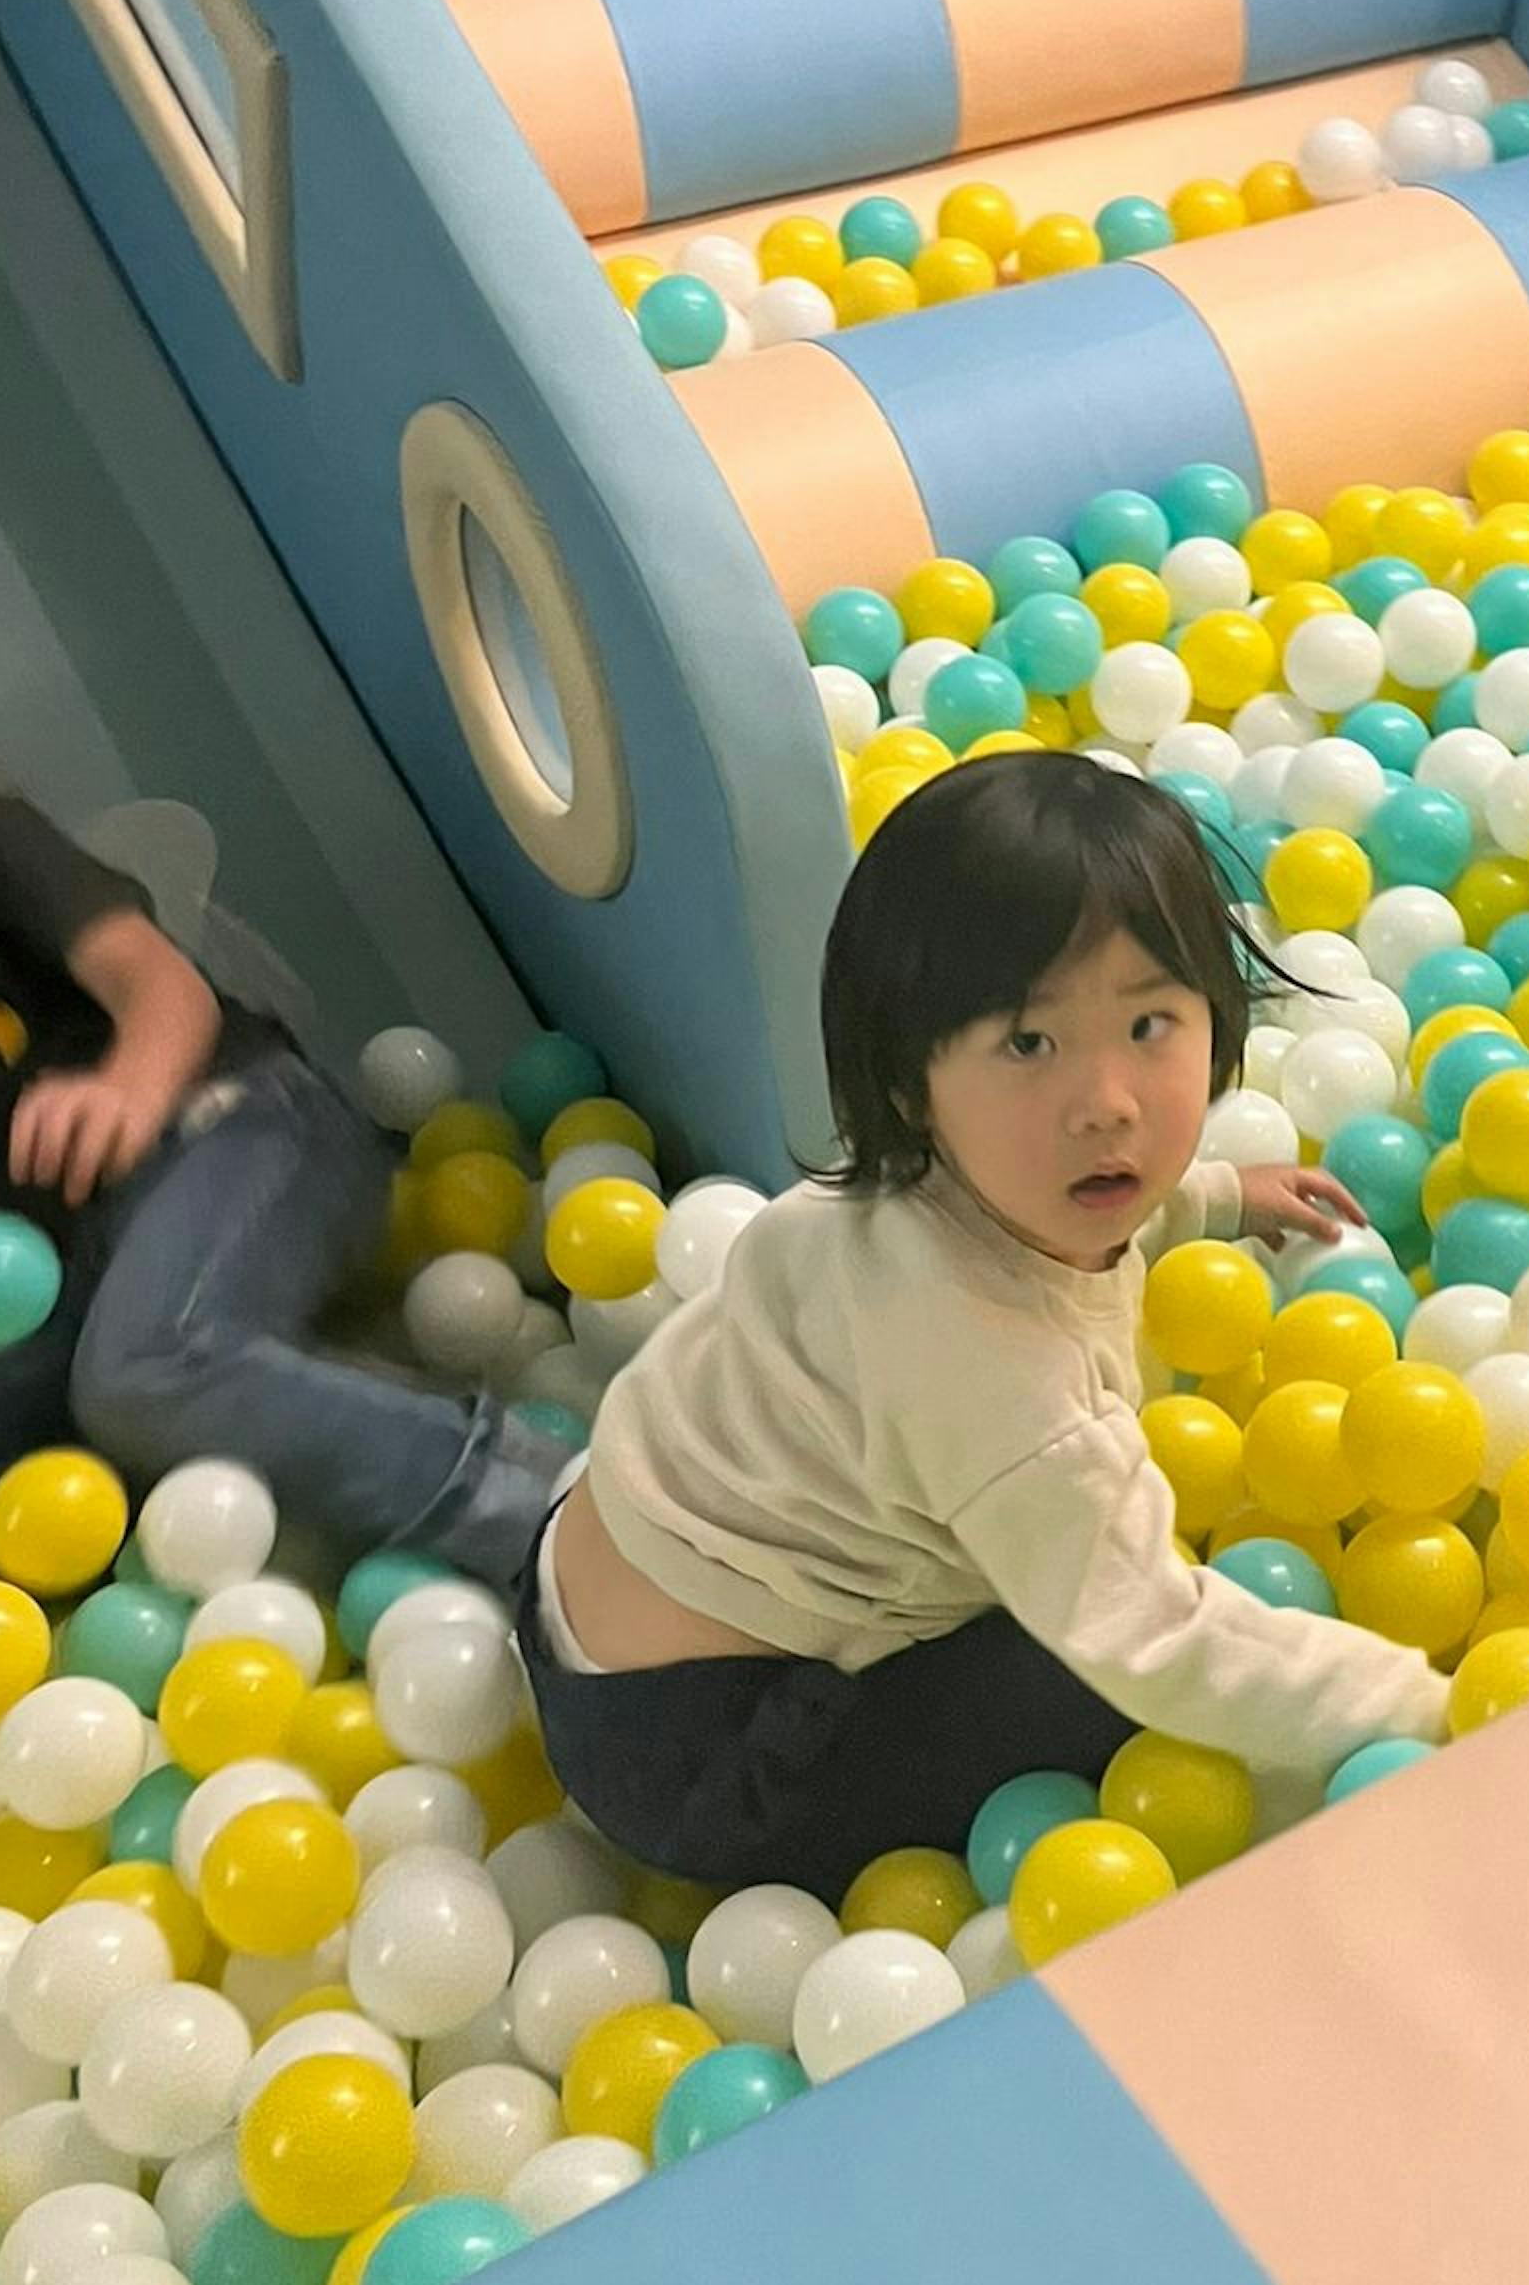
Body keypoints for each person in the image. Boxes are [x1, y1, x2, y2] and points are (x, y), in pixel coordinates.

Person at [526, 752, 1447, 1893]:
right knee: (1099, 1689)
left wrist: (1213, 1196)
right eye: (1027, 1043)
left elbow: (1094, 1205)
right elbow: (1157, 1640)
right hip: (707, 1756)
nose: (1106, 1102)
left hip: (579, 1578)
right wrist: (1429, 1706)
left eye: (1150, 1023)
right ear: (908, 1083)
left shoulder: (909, 1195)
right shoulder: (1003, 1381)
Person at [0, 565, 562, 1580]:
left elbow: (160, 987)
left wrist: (129, 1087)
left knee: (146, 1371)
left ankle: (539, 1507)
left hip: (246, 1128)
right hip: (96, 1273)